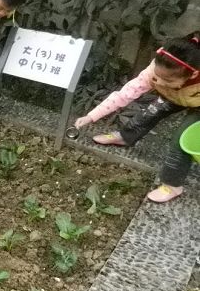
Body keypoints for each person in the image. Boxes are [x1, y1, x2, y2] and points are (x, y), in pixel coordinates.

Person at [75, 34, 200, 202]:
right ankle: (125, 136)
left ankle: (172, 185)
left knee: (181, 140)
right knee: (151, 111)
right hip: (174, 95)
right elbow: (124, 94)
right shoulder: (155, 72)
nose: (159, 82)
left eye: (167, 79)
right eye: (157, 76)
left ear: (193, 74)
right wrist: (91, 116)